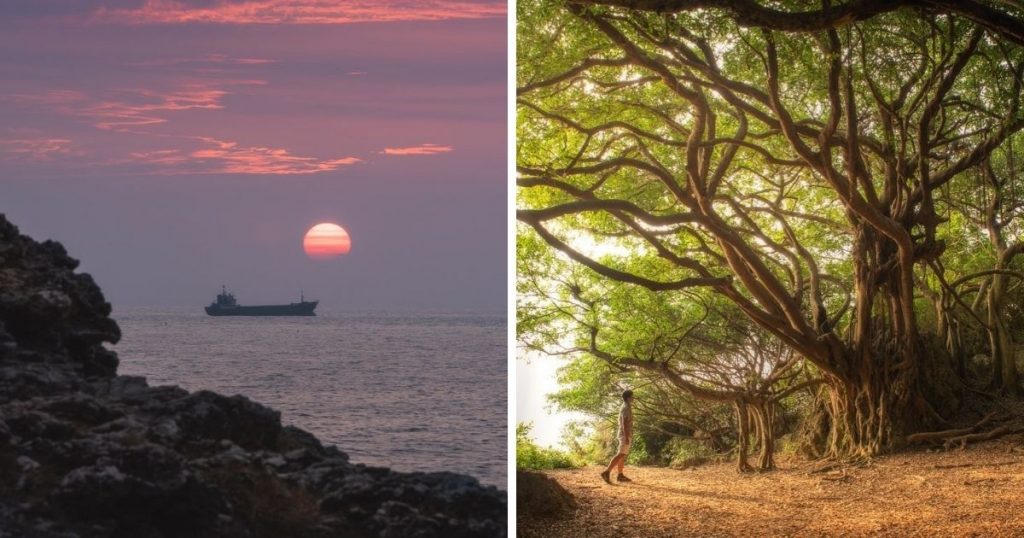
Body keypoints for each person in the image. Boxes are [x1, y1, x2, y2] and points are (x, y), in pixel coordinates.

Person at [601, 389, 633, 484]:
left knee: (622, 454)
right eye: (632, 396)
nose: (633, 398)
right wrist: (627, 436)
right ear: (628, 398)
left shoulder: (626, 406)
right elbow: (624, 423)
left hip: (624, 434)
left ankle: (620, 475)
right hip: (624, 434)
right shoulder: (626, 407)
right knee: (621, 454)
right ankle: (606, 472)